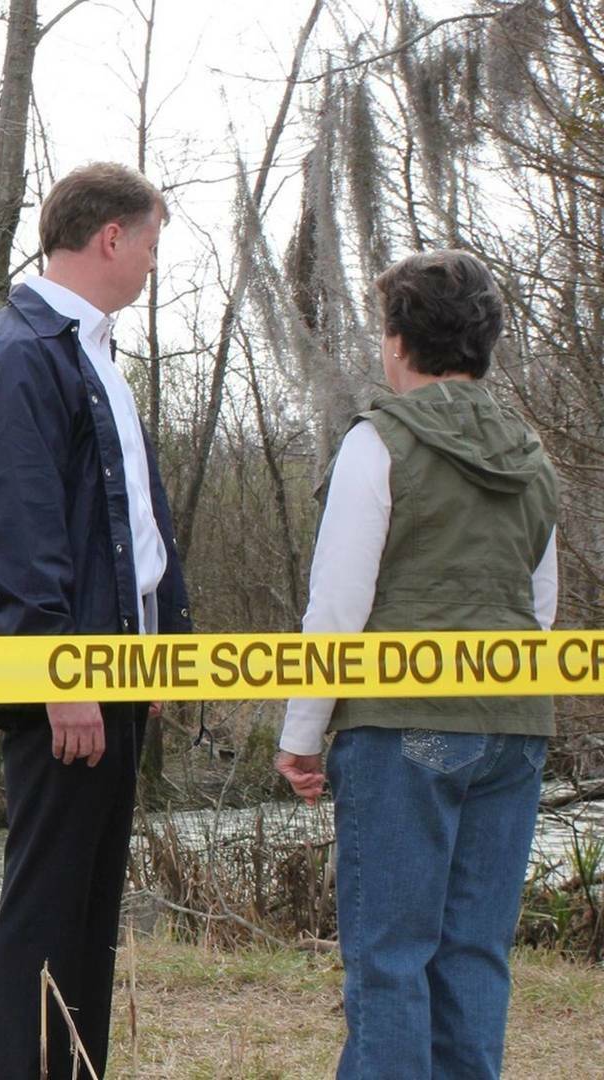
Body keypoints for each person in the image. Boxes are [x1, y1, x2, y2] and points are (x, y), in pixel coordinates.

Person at [0, 162, 191, 1078]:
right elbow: (15, 528)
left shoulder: (93, 355)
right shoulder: (15, 352)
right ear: (111, 237)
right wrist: (60, 676)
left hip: (117, 673)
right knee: (47, 905)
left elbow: (134, 532)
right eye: (152, 245)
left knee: (88, 908)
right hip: (63, 681)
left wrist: (163, 661)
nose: (155, 264)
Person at [275, 250, 558, 1079]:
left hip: (401, 729)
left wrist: (301, 733)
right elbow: (538, 611)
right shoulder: (530, 453)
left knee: (391, 958)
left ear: (397, 342)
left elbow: (336, 610)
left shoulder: (379, 443)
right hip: (514, 729)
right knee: (475, 953)